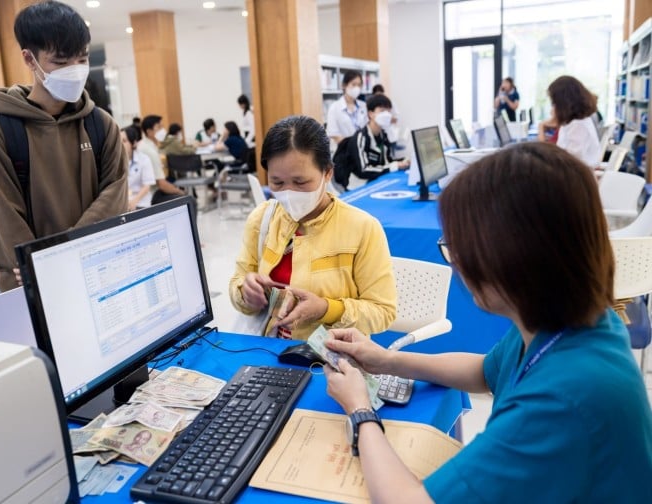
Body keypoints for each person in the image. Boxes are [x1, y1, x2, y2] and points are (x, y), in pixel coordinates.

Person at [322, 142, 652, 503]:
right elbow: (485, 371)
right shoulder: (571, 320)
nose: (456, 264)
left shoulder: (563, 399)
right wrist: (386, 360)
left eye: (460, 249)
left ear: (510, 259)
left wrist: (360, 410)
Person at [0, 0, 127, 291]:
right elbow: (1, 217)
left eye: (81, 59)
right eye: (60, 61)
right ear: (29, 59)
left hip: (99, 274)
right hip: (34, 287)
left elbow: (115, 196)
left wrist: (58, 255)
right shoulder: (1, 132)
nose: (75, 69)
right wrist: (42, 263)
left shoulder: (100, 124)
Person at [229, 115, 397, 340]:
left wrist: (327, 309)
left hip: (331, 358)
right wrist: (245, 293)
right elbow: (238, 281)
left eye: (300, 182)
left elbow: (383, 312)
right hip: (266, 350)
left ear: (327, 172)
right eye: (277, 182)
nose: (288, 192)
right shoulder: (262, 219)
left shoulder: (363, 228)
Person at [332, 94, 409, 191]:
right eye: (382, 111)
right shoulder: (361, 137)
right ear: (371, 114)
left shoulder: (383, 135)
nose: (386, 114)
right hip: (360, 186)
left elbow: (387, 160)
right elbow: (364, 170)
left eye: (388, 111)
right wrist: (392, 167)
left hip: (378, 180)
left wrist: (403, 161)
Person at [548, 75, 600, 168]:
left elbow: (571, 160)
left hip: (575, 176)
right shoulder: (575, 122)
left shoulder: (578, 125)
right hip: (573, 173)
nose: (553, 107)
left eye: (554, 103)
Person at [137, 114, 185, 204]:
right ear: (149, 131)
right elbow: (162, 185)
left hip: (150, 190)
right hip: (151, 194)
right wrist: (181, 192)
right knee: (188, 200)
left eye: (162, 127)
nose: (162, 130)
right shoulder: (150, 151)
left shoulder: (147, 145)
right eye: (159, 127)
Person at [326, 70, 368, 145]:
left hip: (362, 149)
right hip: (344, 151)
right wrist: (353, 146)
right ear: (344, 85)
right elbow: (334, 135)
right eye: (353, 84)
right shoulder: (335, 107)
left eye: (359, 85)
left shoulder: (363, 106)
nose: (357, 88)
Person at [121, 126, 154, 210]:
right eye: (118, 141)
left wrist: (133, 202)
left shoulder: (144, 159)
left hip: (140, 202)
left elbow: (147, 186)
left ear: (134, 143)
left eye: (124, 141)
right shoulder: (114, 161)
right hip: (122, 203)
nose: (120, 144)